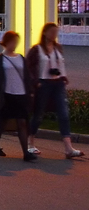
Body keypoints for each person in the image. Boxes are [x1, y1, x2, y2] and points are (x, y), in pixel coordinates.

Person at [26, 23, 84, 159]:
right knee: (38, 114)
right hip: (44, 84)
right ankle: (30, 143)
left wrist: (63, 78)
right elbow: (28, 68)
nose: (54, 35)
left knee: (64, 114)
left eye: (56, 32)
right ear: (45, 32)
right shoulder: (37, 49)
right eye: (52, 32)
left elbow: (60, 65)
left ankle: (68, 148)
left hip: (58, 84)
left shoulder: (58, 48)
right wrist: (36, 83)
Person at [0, 30, 35, 160]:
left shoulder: (21, 58)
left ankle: (26, 153)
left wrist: (30, 91)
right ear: (6, 42)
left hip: (20, 94)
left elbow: (27, 76)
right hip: (6, 95)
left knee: (22, 122)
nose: (14, 44)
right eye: (12, 42)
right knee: (1, 122)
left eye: (16, 42)